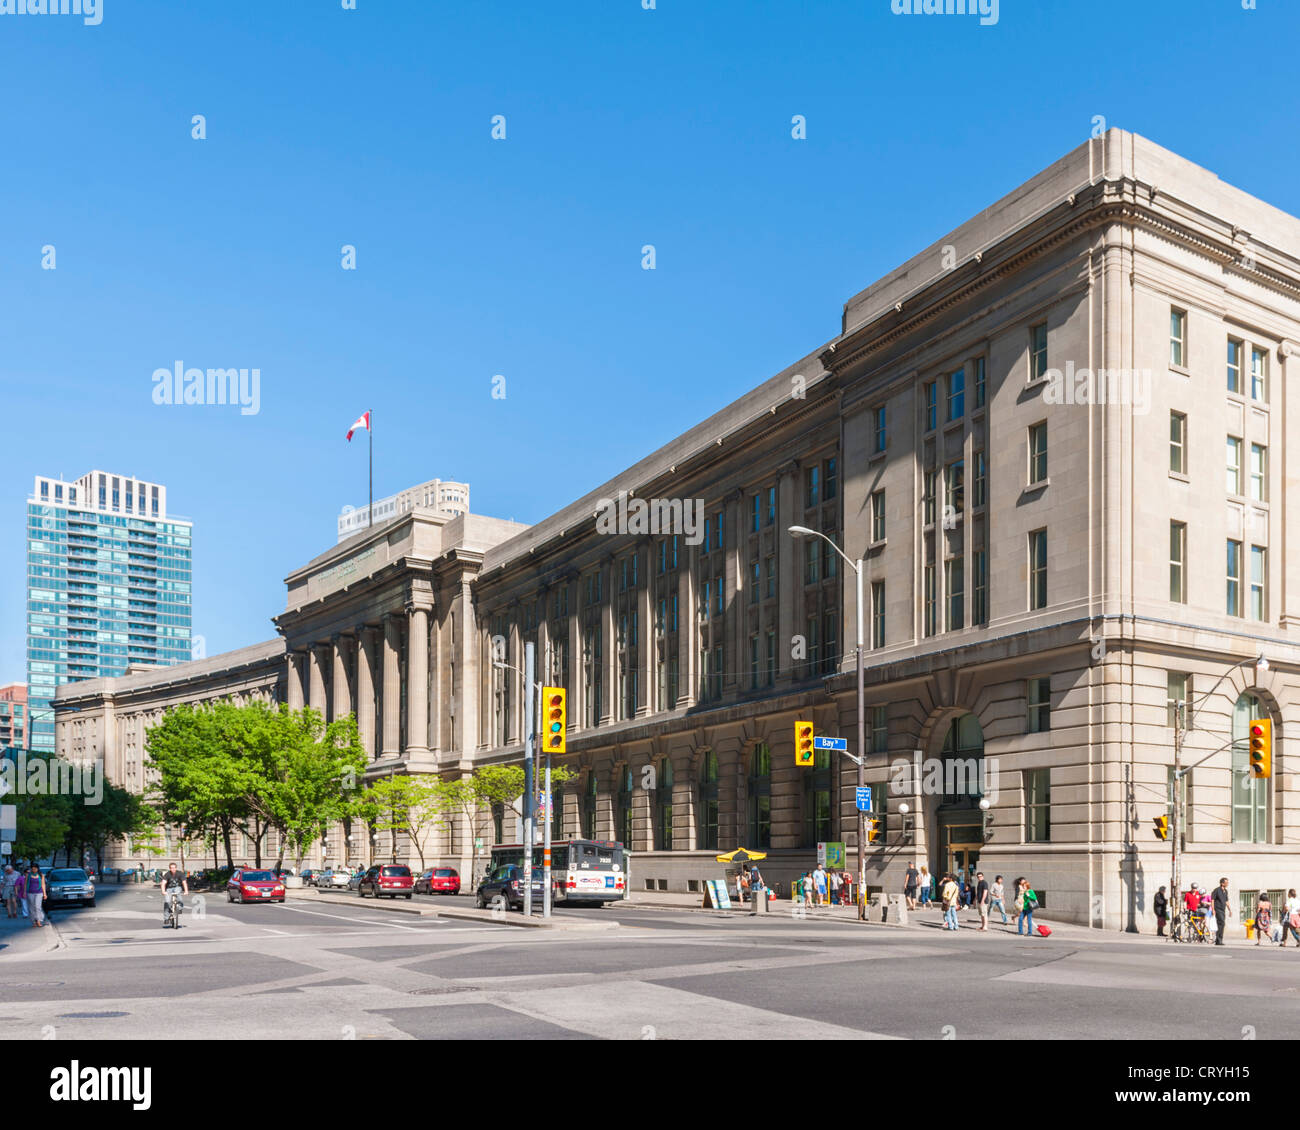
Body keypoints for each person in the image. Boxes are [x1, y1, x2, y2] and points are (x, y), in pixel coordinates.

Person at [21, 864, 46, 928]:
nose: (34, 870)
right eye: (32, 868)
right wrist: (24, 892)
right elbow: (25, 884)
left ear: (38, 869)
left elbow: (43, 884)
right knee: (31, 907)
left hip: (39, 893)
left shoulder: (41, 875)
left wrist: (44, 894)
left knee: (37, 907)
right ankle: (33, 921)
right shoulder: (28, 875)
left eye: (35, 868)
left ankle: (38, 921)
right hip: (30, 892)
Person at [1211, 877, 1232, 946]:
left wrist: (1229, 910)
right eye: (1226, 883)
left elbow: (1226, 901)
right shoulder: (1216, 890)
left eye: (1227, 882)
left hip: (1223, 910)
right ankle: (1219, 940)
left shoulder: (1225, 891)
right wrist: (1213, 909)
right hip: (1218, 909)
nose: (1227, 884)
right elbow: (1212, 900)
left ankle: (1218, 940)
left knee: (1221, 924)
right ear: (1222, 883)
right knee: (1221, 923)